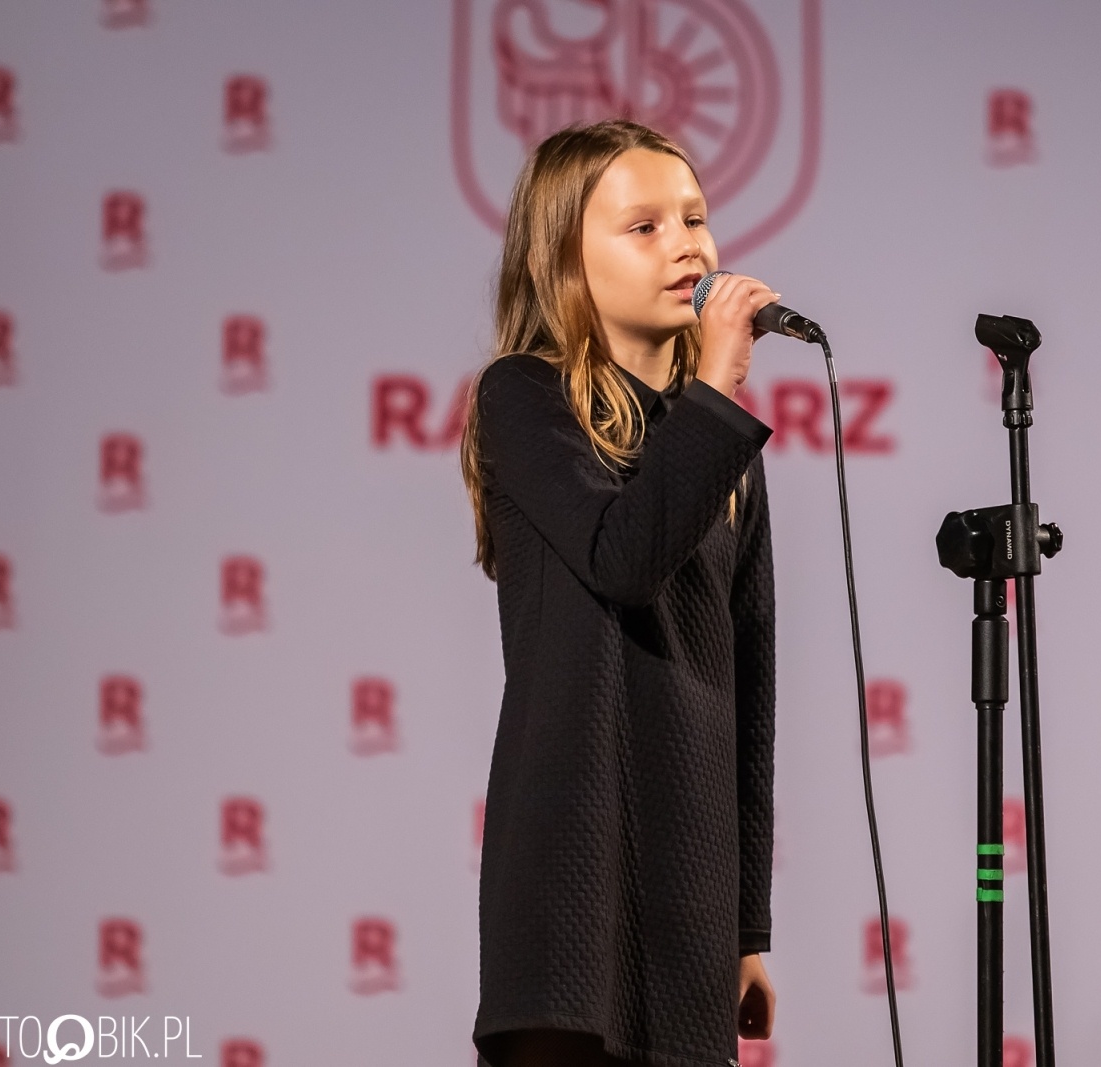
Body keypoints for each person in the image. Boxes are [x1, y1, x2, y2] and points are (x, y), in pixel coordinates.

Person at [459, 118, 780, 1067]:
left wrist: (747, 926)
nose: (688, 244)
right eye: (644, 227)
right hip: (567, 873)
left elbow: (751, 693)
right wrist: (718, 388)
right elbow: (621, 556)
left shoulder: (726, 455)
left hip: (690, 880)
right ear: (565, 260)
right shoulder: (523, 397)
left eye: (695, 217)